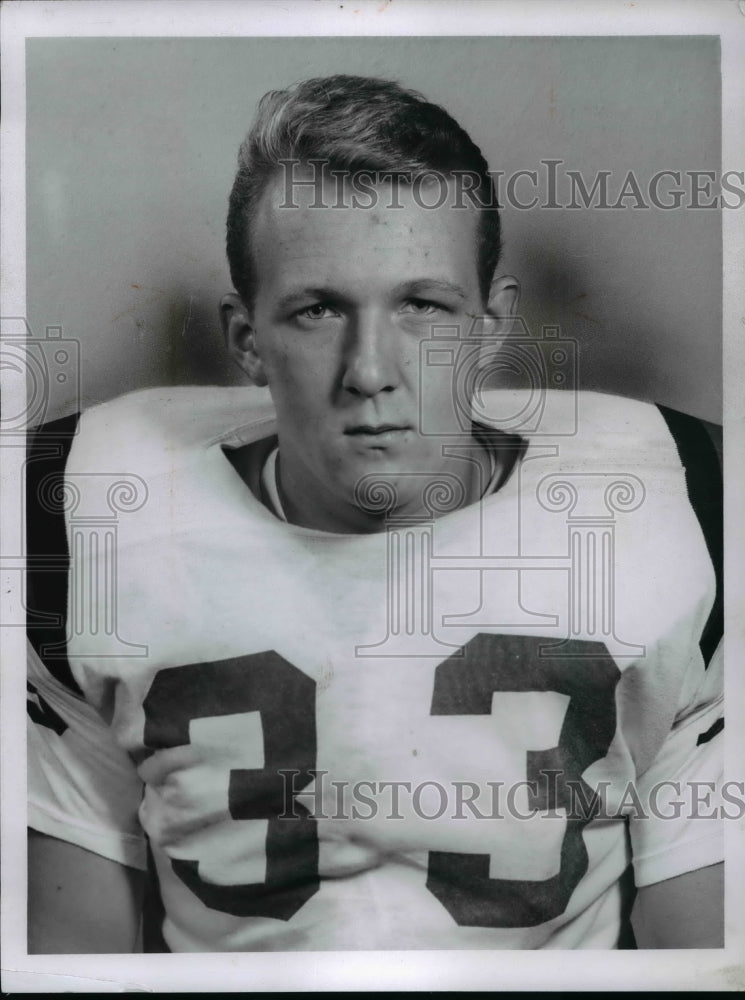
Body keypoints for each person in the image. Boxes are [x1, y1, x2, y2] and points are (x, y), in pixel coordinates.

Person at [26, 74, 723, 952]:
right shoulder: (81, 520)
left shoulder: (680, 510)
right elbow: (75, 944)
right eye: (317, 310)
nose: (369, 371)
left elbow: (702, 943)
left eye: (422, 307)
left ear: (491, 327)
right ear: (245, 341)